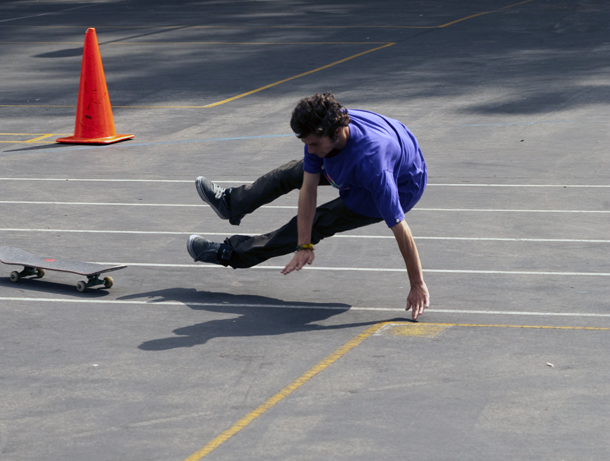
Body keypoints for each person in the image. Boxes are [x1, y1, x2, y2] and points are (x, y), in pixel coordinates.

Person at [187, 92, 430, 319]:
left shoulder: (373, 166)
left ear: (335, 132)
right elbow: (308, 190)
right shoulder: (326, 126)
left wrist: (417, 284)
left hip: (401, 185)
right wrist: (304, 244)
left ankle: (231, 253)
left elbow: (401, 228)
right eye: (307, 143)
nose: (310, 149)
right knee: (293, 172)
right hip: (367, 160)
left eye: (314, 144)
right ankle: (231, 203)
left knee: (319, 222)